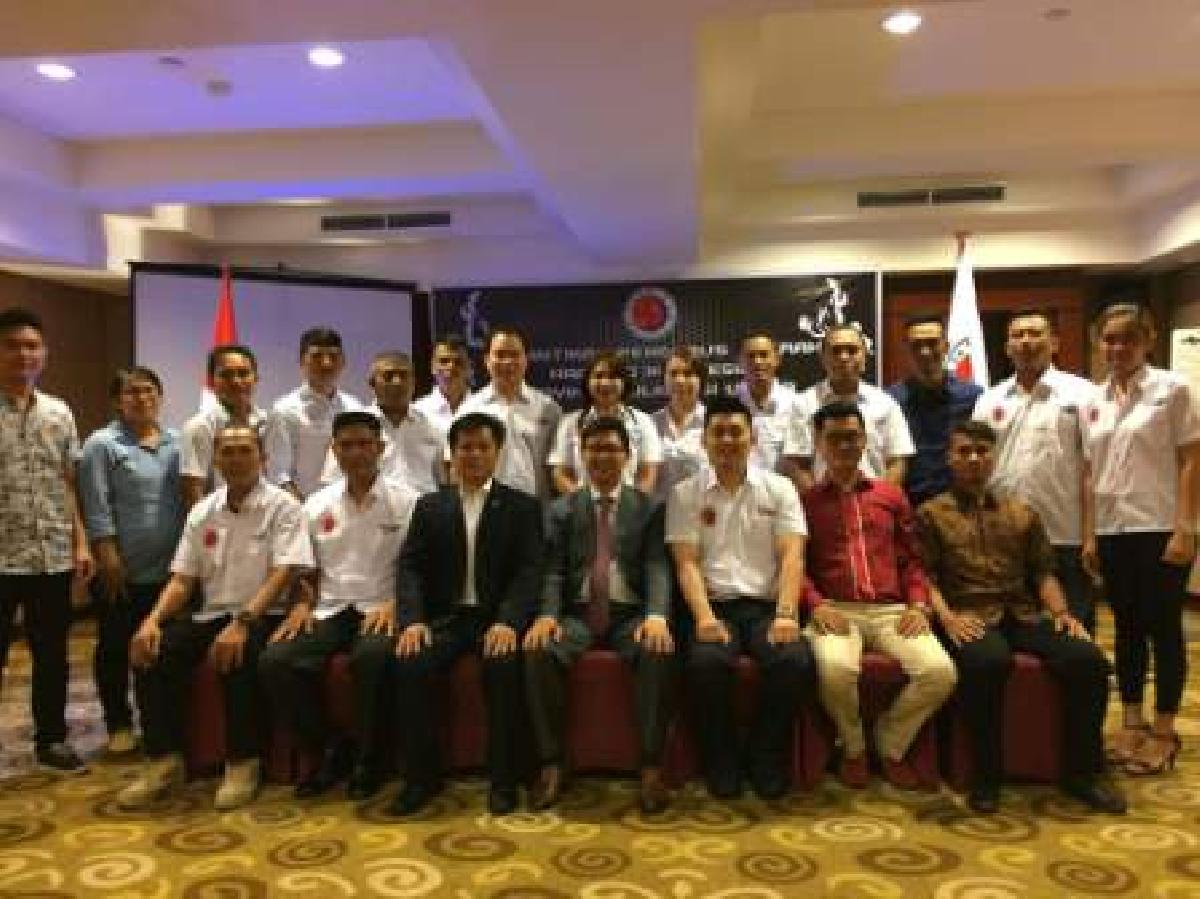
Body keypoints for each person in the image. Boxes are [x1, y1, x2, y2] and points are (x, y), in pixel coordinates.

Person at [918, 420, 1126, 815]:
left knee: (1088, 660)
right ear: (950, 458)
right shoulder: (931, 514)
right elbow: (923, 577)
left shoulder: (1021, 513)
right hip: (968, 614)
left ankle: (1082, 773)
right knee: (987, 662)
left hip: (1023, 614)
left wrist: (1062, 614)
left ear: (993, 458)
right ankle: (986, 776)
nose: (974, 459)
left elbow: (1043, 572)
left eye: (982, 451)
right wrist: (947, 619)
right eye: (964, 452)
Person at [120, 424, 313, 810]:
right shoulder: (203, 511)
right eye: (228, 452)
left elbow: (283, 573)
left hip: (265, 613)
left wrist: (242, 623)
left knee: (237, 654)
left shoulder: (284, 507)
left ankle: (243, 762)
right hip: (212, 613)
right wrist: (152, 620)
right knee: (152, 652)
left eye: (245, 450)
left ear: (263, 458)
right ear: (216, 460)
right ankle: (163, 759)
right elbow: (183, 580)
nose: (236, 459)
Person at [389, 412, 544, 816]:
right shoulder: (430, 506)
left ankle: (504, 779)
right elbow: (410, 567)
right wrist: (413, 621)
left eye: (482, 447)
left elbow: (529, 572)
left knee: (504, 667)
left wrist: (509, 622)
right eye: (465, 447)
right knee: (410, 663)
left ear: (497, 452)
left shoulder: (522, 507)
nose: (473, 455)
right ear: (452, 453)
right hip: (446, 620)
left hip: (496, 620)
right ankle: (421, 779)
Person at [260, 411, 419, 800]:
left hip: (382, 607)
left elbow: (419, 567)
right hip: (328, 609)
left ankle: (370, 760)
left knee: (372, 658)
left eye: (364, 444)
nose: (356, 452)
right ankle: (329, 749)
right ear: (334, 450)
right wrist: (301, 605)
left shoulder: (409, 501)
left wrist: (397, 604)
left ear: (380, 448)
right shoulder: (316, 504)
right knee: (276, 659)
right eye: (346, 445)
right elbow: (305, 570)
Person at [525, 416, 674, 815]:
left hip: (629, 615)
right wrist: (547, 615)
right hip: (576, 616)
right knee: (539, 650)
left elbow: (658, 566)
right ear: (581, 455)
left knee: (657, 650)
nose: (603, 456)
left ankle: (651, 767)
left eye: (611, 449)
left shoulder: (649, 508)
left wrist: (656, 615)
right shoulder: (561, 509)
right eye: (594, 449)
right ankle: (552, 764)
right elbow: (553, 571)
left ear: (627, 455)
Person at [803, 401, 956, 789]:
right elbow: (793, 566)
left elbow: (912, 560)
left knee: (939, 672)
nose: (845, 445)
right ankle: (853, 747)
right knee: (835, 669)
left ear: (865, 440)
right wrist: (815, 605)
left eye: (852, 437)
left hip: (893, 611)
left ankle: (890, 742)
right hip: (836, 609)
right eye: (835, 438)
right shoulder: (805, 502)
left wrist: (919, 604)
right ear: (818, 443)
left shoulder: (891, 496)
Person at [667, 396, 813, 800]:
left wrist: (787, 613)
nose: (728, 440)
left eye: (736, 432)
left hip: (768, 608)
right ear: (704, 441)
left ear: (753, 439)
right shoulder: (684, 494)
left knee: (794, 660)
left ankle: (765, 755)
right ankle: (722, 759)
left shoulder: (780, 488)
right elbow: (686, 563)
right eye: (719, 432)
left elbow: (792, 555)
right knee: (706, 662)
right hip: (713, 608)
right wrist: (703, 618)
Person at [1082, 302, 1200, 776]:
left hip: (1160, 527)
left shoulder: (1173, 389)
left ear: (1148, 340)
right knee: (1127, 628)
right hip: (1113, 529)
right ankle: (1132, 722)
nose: (1118, 348)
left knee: (1164, 629)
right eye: (1110, 339)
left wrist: (1185, 527)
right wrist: (1090, 535)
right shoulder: (1093, 399)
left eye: (1128, 338)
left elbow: (1191, 460)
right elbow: (1090, 472)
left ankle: (1165, 731)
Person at [0, 307, 93, 773]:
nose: (24, 354)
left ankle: (51, 740)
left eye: (32, 346)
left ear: (44, 353)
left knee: (52, 654)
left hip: (51, 553)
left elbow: (68, 481)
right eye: (13, 346)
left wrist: (81, 541)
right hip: (1, 556)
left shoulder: (59, 413)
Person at [78, 366, 185, 755]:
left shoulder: (177, 442)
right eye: (132, 392)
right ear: (117, 401)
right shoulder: (101, 444)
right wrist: (107, 554)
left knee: (157, 648)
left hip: (169, 570)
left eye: (149, 391)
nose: (142, 398)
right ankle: (119, 723)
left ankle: (158, 722)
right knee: (114, 647)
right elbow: (95, 502)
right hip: (121, 568)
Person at [972, 310, 1098, 632]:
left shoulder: (1083, 393)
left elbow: (1093, 468)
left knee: (1074, 630)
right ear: (1007, 347)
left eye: (1036, 333)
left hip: (1064, 534)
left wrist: (1090, 535)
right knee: (1019, 630)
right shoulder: (989, 400)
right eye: (1018, 335)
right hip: (1005, 536)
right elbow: (977, 469)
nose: (1027, 341)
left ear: (1054, 342)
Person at [785, 324, 914, 493]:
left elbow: (897, 461)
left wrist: (879, 500)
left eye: (852, 350)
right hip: (823, 502)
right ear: (823, 358)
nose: (844, 357)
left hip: (875, 501)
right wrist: (818, 502)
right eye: (836, 351)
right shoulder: (803, 404)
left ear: (864, 355)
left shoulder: (886, 403)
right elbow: (797, 464)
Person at [453, 326, 562, 499]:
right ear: (487, 360)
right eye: (500, 355)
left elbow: (557, 468)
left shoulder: (549, 408)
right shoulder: (469, 408)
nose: (507, 362)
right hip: (485, 507)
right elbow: (456, 467)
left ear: (526, 360)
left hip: (537, 507)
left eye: (514, 355)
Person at [887, 315, 982, 507]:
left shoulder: (974, 396)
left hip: (960, 505)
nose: (925, 351)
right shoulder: (890, 401)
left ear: (946, 347)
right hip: (908, 505)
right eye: (916, 345)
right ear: (906, 350)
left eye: (932, 343)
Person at [318, 352, 443, 494]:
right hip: (371, 506)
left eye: (403, 376)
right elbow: (333, 482)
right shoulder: (351, 428)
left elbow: (444, 481)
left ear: (413, 382)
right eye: (388, 376)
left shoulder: (434, 426)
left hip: (425, 506)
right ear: (372, 383)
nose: (397, 382)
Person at [266, 327, 362, 499]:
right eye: (317, 357)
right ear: (302, 362)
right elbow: (279, 474)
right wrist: (304, 509)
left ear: (343, 362)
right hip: (303, 505)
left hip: (350, 505)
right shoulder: (284, 410)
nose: (326, 363)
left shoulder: (355, 407)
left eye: (333, 357)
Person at [550, 350, 662, 495]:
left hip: (629, 506)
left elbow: (648, 473)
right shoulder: (569, 423)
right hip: (581, 506)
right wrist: (583, 504)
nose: (605, 383)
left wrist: (631, 505)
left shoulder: (643, 422)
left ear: (624, 382)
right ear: (587, 382)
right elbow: (560, 473)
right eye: (598, 376)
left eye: (612, 376)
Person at [180, 344, 268, 510]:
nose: (236, 381)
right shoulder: (199, 427)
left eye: (243, 373)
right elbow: (193, 491)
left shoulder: (268, 423)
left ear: (256, 378)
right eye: (226, 375)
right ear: (211, 381)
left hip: (265, 518)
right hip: (220, 520)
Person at [735, 333, 800, 474]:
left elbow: (799, 461)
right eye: (750, 356)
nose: (757, 361)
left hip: (784, 486)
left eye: (764, 355)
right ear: (740, 361)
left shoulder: (796, 404)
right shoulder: (729, 407)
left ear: (777, 359)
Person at [651, 346, 707, 503]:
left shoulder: (714, 423)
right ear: (664, 379)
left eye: (688, 374)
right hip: (659, 514)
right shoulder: (649, 425)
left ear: (701, 380)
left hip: (704, 512)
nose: (680, 380)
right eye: (673, 373)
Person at [413, 334, 473, 436]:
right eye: (444, 361)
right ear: (432, 367)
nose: (451, 367)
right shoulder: (417, 412)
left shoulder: (485, 408)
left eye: (458, 362)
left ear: (469, 369)